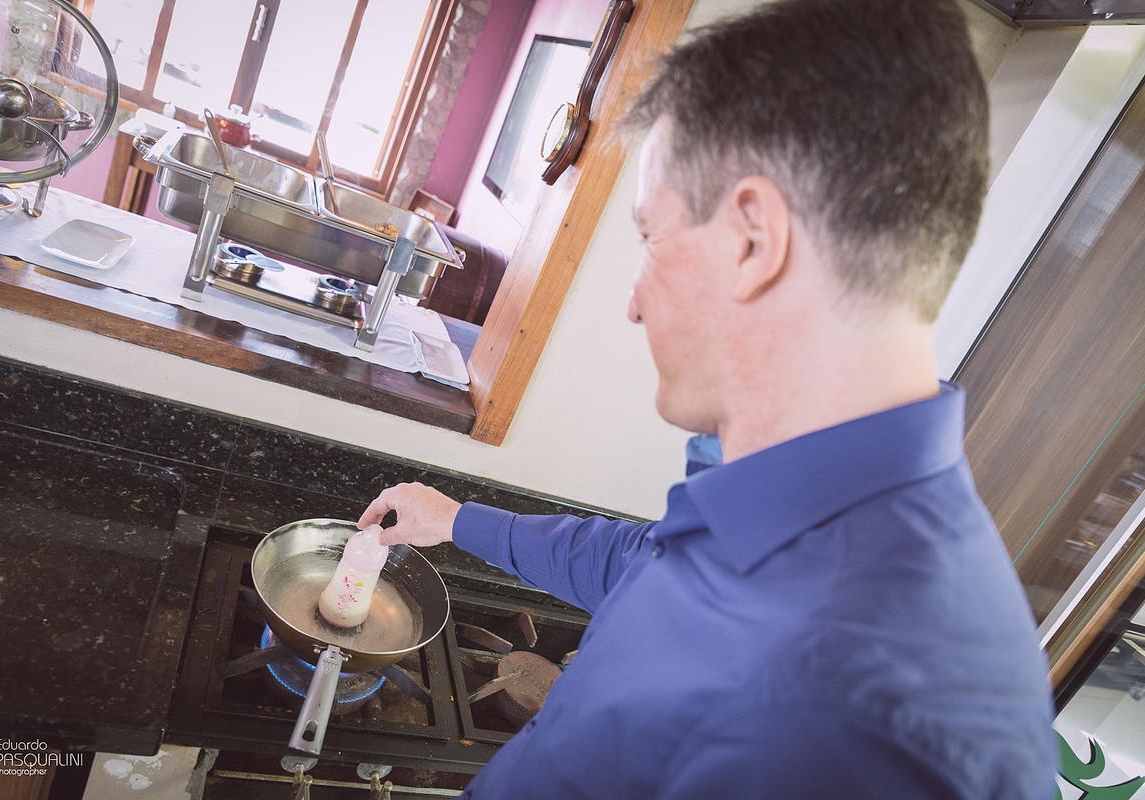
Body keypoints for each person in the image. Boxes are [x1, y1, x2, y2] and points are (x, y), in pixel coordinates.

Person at [357, 0, 1059, 796]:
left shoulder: (875, 727)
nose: (633, 301)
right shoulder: (769, 469)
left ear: (752, 241)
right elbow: (645, 563)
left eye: (651, 239)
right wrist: (456, 520)